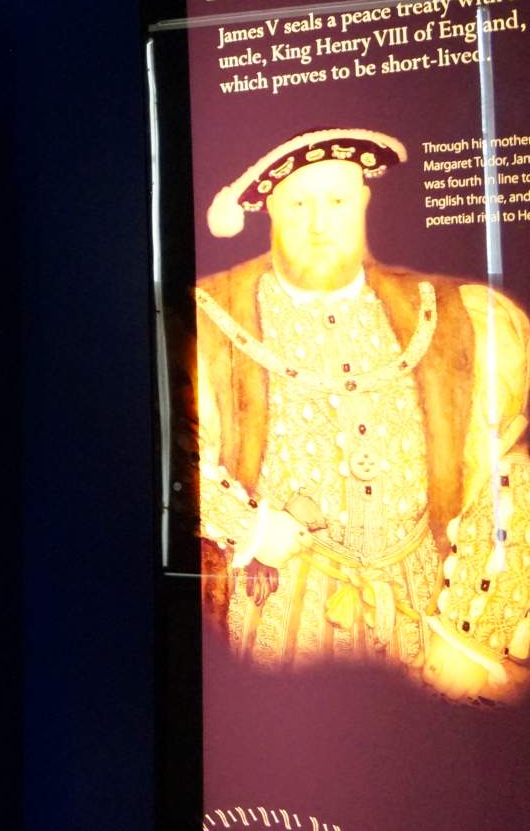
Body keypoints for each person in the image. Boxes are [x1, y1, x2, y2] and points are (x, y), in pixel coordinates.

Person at [193, 128, 530, 702]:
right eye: (299, 204)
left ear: (365, 202)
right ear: (270, 209)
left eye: (338, 201)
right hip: (277, 615)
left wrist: (471, 638)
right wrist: (246, 525)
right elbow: (168, 460)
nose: (319, 224)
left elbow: (502, 474)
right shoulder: (209, 319)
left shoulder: (457, 319)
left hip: (425, 617)